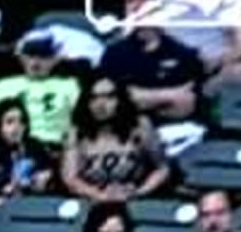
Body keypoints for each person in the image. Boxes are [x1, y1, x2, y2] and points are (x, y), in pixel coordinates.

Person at [60, 74, 168, 205]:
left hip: (135, 200)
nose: (101, 104)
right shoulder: (76, 132)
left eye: (109, 97)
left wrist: (139, 192)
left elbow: (162, 168)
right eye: (94, 98)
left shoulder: (140, 126)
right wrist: (100, 196)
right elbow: (71, 178)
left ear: (120, 99)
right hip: (92, 202)